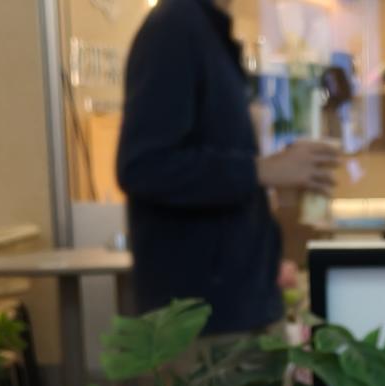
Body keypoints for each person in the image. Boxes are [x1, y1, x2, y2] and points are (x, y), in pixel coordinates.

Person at [117, 0, 338, 334]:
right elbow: (144, 166)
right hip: (205, 323)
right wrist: (260, 170)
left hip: (238, 308)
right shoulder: (174, 27)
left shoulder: (208, 32)